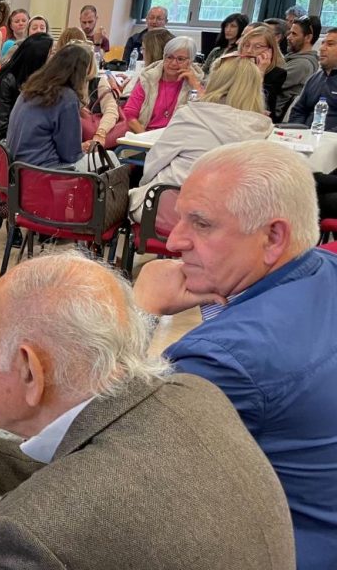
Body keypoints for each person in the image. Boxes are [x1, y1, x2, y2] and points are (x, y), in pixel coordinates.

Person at [0, 251, 296, 570]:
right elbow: (95, 468)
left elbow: (81, 498)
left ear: (30, 372)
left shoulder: (34, 531)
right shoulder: (191, 392)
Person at [133, 140, 337, 569]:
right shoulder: (324, 266)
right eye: (180, 217)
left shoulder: (223, 360)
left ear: (273, 237)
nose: (174, 241)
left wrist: (142, 309)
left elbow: (112, 455)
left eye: (201, 224)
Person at [130, 57, 271, 221]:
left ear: (216, 81)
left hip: (166, 211)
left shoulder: (190, 115)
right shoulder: (261, 129)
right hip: (223, 221)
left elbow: (153, 165)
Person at [6, 44, 89, 169]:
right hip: (47, 171)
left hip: (19, 168)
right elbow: (70, 155)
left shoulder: (29, 89)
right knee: (110, 159)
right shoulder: (66, 97)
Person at [123, 36, 202, 134]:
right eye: (169, 57)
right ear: (164, 57)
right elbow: (130, 115)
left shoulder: (196, 82)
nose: (173, 63)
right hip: (144, 134)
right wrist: (146, 138)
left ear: (190, 62)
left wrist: (195, 85)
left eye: (180, 59)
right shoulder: (148, 79)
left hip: (178, 137)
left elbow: (207, 113)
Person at [0, 32, 53, 141]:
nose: (53, 58)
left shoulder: (43, 79)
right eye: (50, 53)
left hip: (24, 134)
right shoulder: (9, 79)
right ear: (39, 57)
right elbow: (3, 124)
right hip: (5, 138)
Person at [289, 28, 337, 130]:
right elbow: (298, 111)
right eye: (323, 43)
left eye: (330, 44)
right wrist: (298, 132)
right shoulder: (315, 78)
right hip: (305, 135)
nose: (322, 48)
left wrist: (326, 137)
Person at [79, 41, 122, 151]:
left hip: (95, 138)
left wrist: (101, 133)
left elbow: (111, 110)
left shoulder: (98, 83)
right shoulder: (59, 85)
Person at [239, 25, 287, 122]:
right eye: (246, 45)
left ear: (270, 50)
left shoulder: (277, 74)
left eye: (257, 47)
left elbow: (263, 106)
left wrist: (260, 72)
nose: (249, 51)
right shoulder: (234, 68)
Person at [281, 15, 320, 118]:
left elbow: (268, 83)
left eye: (294, 34)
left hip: (271, 114)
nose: (288, 37)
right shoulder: (293, 57)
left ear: (308, 38)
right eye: (290, 33)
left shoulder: (302, 64)